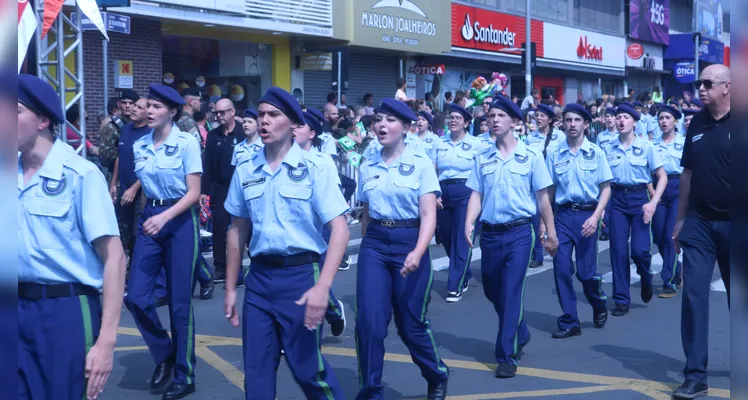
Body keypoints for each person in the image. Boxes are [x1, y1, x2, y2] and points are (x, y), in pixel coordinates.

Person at [223, 87, 347, 399]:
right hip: (260, 281)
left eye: (273, 114)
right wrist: (229, 288)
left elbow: (340, 229)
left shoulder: (315, 167)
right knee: (257, 375)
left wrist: (323, 288)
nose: (263, 121)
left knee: (308, 372)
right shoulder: (245, 169)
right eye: (260, 114)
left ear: (292, 123)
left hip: (300, 277)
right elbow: (236, 229)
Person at [18, 74, 126, 400]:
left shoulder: (80, 175)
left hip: (64, 311)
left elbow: (115, 258)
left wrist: (106, 341)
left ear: (42, 120)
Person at [356, 99, 449, 399]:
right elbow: (367, 213)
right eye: (378, 120)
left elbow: (428, 216)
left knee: (410, 324)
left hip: (411, 242)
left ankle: (436, 373)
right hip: (376, 244)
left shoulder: (421, 164)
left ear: (406, 128)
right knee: (369, 322)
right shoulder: (366, 163)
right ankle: (371, 390)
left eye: (391, 121)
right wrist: (368, 242)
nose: (382, 126)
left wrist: (418, 252)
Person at [464, 96, 558, 378]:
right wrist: (469, 222)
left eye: (500, 116)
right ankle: (520, 329)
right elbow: (476, 194)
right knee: (493, 291)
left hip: (519, 232)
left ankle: (506, 355)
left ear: (515, 122)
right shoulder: (482, 157)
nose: (493, 120)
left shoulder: (530, 156)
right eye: (490, 115)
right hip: (491, 234)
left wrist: (550, 231)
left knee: (512, 290)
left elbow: (543, 199)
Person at [123, 84, 203, 400]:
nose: (150, 111)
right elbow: (147, 188)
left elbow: (194, 193)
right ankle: (165, 353)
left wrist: (165, 217)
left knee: (180, 303)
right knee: (137, 297)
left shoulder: (187, 142)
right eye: (148, 106)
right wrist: (145, 221)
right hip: (150, 220)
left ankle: (185, 374)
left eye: (156, 107)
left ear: (171, 111)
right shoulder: (140, 145)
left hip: (180, 221)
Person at [672, 64, 731, 400]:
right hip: (700, 224)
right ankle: (695, 375)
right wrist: (680, 221)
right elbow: (687, 175)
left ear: (727, 87)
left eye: (708, 83)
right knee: (694, 297)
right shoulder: (696, 121)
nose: (701, 89)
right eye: (699, 83)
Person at [545, 104, 612, 339]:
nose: (572, 125)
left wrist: (596, 216)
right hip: (563, 216)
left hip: (588, 215)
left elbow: (605, 189)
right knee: (561, 268)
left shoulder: (596, 152)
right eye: (568, 120)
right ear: (562, 123)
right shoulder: (554, 153)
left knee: (585, 274)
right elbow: (549, 191)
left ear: (585, 124)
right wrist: (546, 225)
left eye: (577, 120)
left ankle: (598, 302)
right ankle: (570, 320)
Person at [602, 103, 667, 317]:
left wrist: (653, 202)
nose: (621, 121)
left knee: (640, 250)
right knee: (618, 251)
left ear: (635, 122)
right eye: (618, 117)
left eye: (625, 117)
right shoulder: (608, 147)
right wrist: (601, 209)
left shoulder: (647, 147)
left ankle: (645, 274)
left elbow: (662, 176)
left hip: (640, 198)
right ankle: (621, 299)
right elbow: (602, 181)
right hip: (617, 199)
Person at [294, 110, 349, 337]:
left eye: (300, 126)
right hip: (295, 229)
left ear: (312, 133)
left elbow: (332, 200)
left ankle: (334, 311)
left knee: (314, 278)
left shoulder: (322, 161)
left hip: (321, 228)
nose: (294, 129)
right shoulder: (279, 158)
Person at [434, 104, 489, 303]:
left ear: (466, 123)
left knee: (461, 237)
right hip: (443, 193)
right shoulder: (439, 143)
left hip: (466, 193)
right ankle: (463, 274)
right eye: (451, 117)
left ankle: (454, 285)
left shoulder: (477, 144)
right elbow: (432, 169)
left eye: (458, 118)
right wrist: (433, 192)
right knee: (447, 238)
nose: (453, 121)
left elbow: (483, 171)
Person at [201, 98, 244, 287]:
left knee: (242, 228)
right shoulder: (213, 136)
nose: (218, 116)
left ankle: (240, 268)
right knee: (219, 227)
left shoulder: (243, 133)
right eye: (216, 113)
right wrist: (203, 191)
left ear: (232, 112)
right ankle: (220, 267)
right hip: (219, 188)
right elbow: (207, 165)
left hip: (241, 187)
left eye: (222, 112)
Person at [525, 104, 566, 268]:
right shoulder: (530, 138)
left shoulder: (560, 136)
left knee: (557, 219)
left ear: (550, 119)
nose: (539, 118)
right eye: (537, 116)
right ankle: (537, 255)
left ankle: (560, 250)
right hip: (538, 185)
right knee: (536, 220)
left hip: (556, 184)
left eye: (542, 116)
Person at [651, 105, 685, 299]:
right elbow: (648, 171)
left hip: (678, 187)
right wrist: (652, 192)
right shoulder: (652, 144)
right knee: (657, 236)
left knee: (671, 235)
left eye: (667, 118)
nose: (663, 121)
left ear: (675, 122)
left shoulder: (684, 142)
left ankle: (668, 281)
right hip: (658, 189)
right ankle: (676, 266)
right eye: (661, 118)